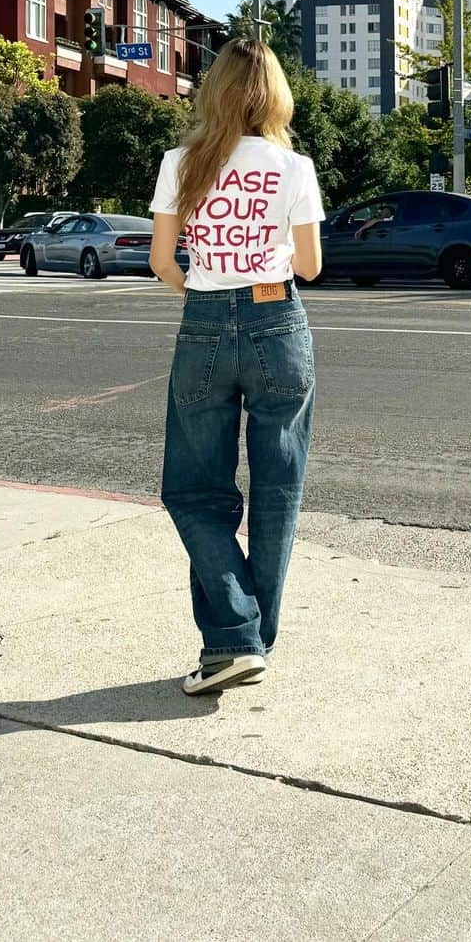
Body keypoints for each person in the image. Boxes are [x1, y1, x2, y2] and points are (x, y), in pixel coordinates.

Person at [149, 38, 324, 696]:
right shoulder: (294, 166)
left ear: (213, 90)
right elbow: (309, 266)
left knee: (195, 490)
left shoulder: (181, 162)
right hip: (278, 320)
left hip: (205, 320)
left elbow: (164, 262)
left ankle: (234, 640)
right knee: (278, 490)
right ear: (274, 94)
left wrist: (207, 289)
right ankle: (245, 642)